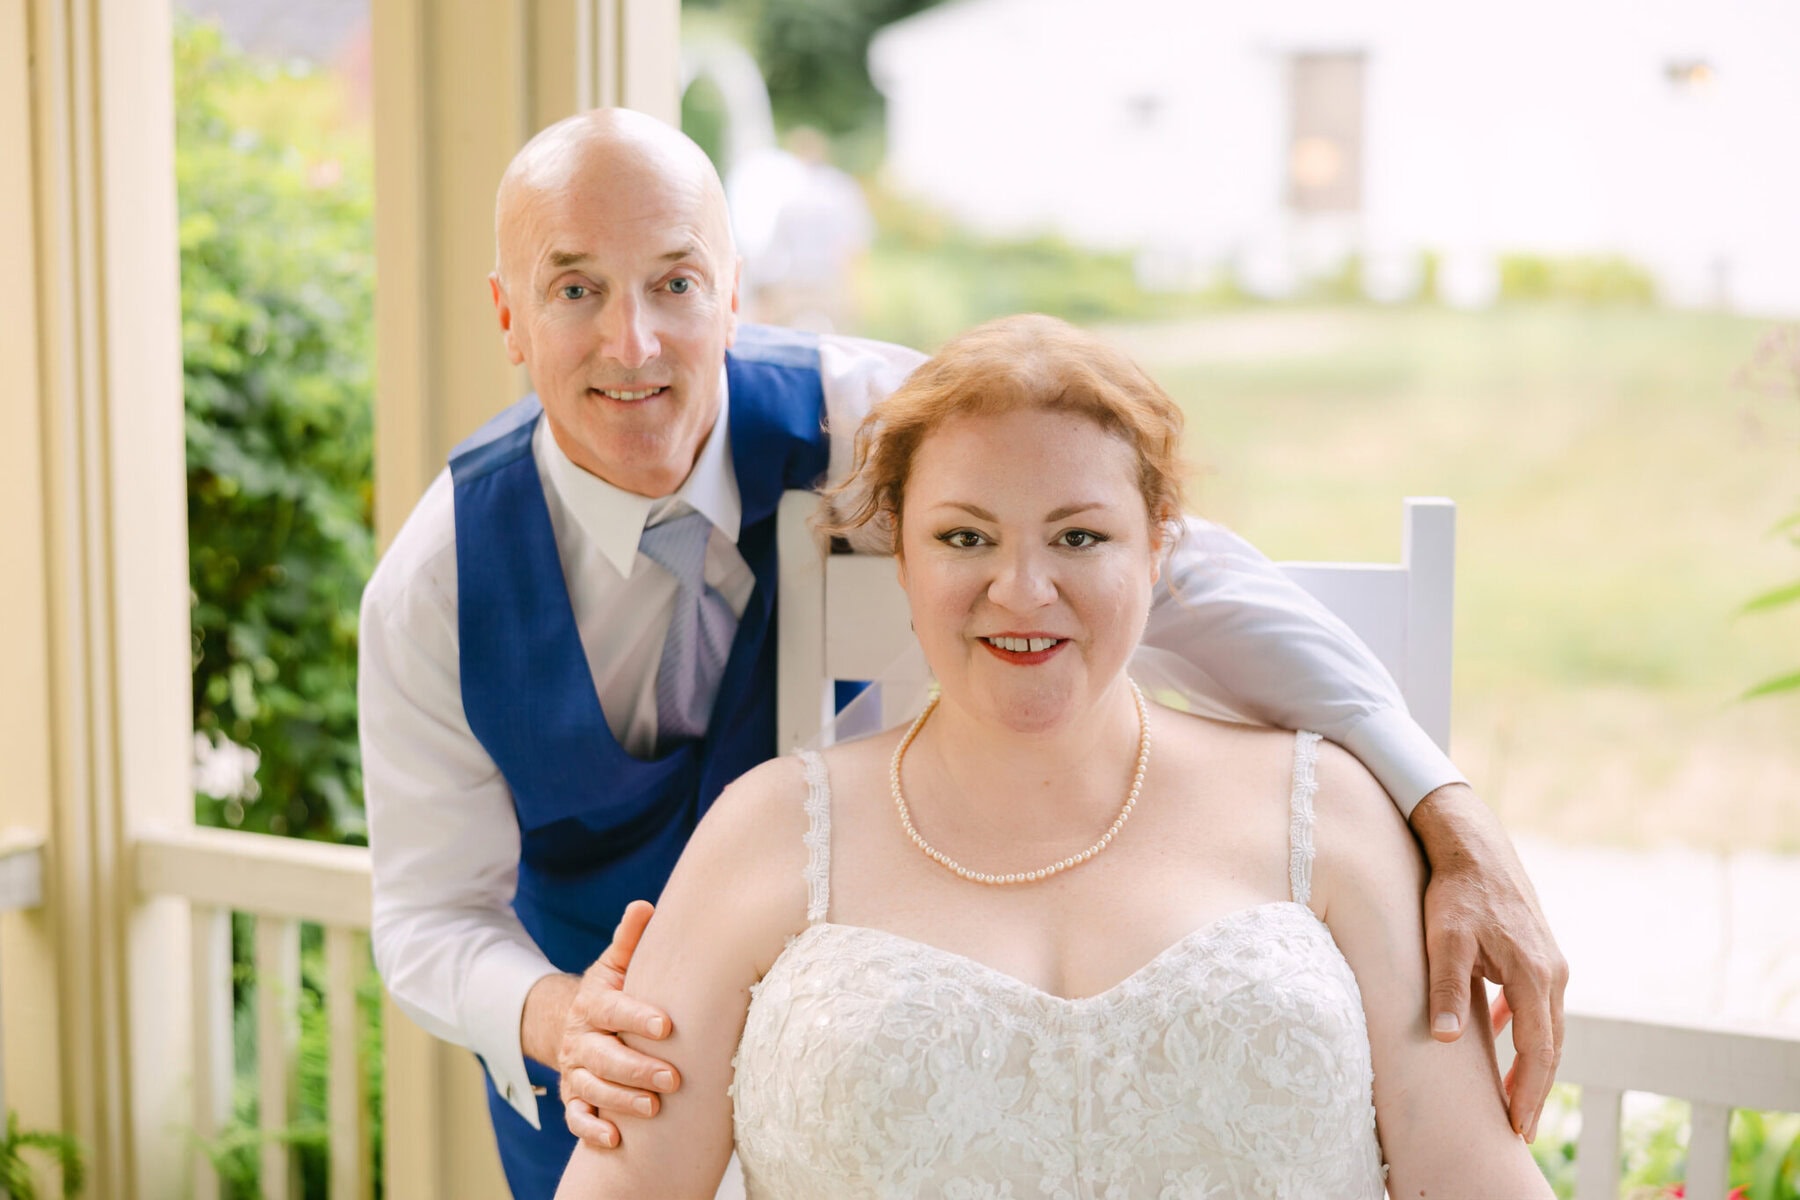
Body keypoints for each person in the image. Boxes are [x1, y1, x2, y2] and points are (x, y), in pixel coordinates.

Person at [358, 108, 1565, 1198]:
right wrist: (569, 1019)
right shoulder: (438, 578)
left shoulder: (873, 424)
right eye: (576, 290)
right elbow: (426, 913)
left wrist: (1438, 798)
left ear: (736, 298)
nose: (634, 342)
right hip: (621, 1076)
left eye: (675, 283)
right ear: (509, 315)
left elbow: (1172, 562)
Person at [554, 314, 1555, 1197]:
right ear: (898, 551)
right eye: (964, 538)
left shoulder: (1331, 811)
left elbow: (1470, 1177)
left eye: (1078, 539)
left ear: (1160, 548)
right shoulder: (765, 835)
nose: (1022, 590)